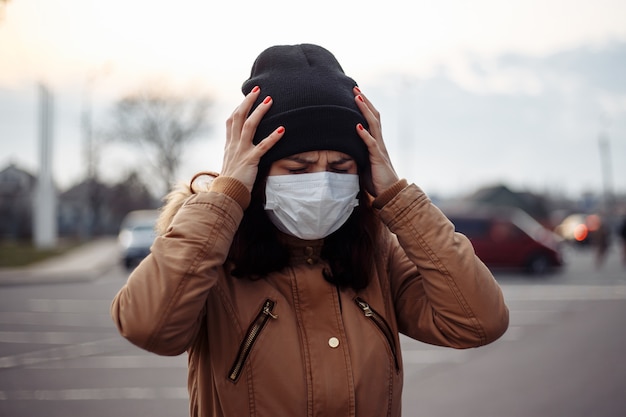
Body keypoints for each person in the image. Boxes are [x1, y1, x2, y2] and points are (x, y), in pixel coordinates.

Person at [111, 44, 509, 417]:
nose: (321, 184)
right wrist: (226, 197)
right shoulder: (213, 258)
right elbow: (149, 326)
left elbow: (479, 321)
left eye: (340, 168)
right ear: (258, 170)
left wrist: (397, 197)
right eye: (298, 169)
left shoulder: (376, 254)